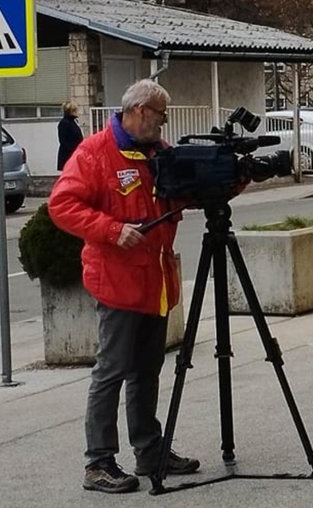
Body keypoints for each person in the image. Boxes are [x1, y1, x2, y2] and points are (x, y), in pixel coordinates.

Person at [49, 79, 199, 494]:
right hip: (117, 280)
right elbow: (61, 205)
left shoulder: (160, 153)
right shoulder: (95, 152)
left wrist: (231, 177)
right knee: (112, 370)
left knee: (147, 370)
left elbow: (188, 193)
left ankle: (150, 451)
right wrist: (112, 230)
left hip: (155, 279)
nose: (164, 123)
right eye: (160, 115)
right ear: (137, 111)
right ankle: (98, 462)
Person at [57, 100, 84, 171]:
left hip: (75, 154)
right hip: (68, 155)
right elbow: (63, 141)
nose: (77, 112)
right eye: (76, 110)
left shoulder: (73, 122)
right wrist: (74, 151)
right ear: (71, 111)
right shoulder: (64, 123)